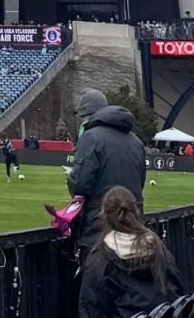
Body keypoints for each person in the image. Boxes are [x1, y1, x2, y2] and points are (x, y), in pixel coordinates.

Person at [78, 186, 183, 318]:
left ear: (104, 216)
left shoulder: (100, 259)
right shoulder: (157, 246)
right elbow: (177, 288)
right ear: (135, 212)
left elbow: (90, 309)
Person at [68, 88, 147, 262]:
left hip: (100, 223)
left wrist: (70, 178)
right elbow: (140, 180)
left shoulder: (90, 138)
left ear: (87, 114)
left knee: (98, 279)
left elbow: (80, 184)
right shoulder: (136, 141)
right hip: (134, 220)